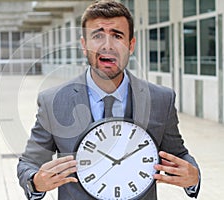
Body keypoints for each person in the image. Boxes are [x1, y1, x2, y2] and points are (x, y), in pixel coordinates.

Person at [17, 0, 200, 199]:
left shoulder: (160, 99)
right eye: (97, 35)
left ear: (131, 45)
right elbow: (29, 163)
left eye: (117, 36)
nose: (107, 45)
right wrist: (36, 181)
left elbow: (178, 154)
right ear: (84, 45)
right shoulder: (54, 101)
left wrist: (193, 177)